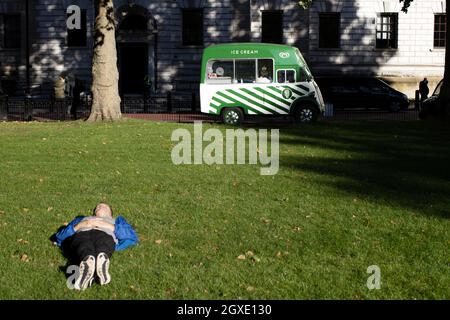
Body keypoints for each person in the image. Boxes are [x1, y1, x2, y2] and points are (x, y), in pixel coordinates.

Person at [54, 203, 138, 290]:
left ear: (111, 213)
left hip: (105, 234)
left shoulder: (117, 220)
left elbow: (132, 237)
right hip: (82, 234)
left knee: (103, 243)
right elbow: (60, 237)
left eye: (105, 206)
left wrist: (110, 226)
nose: (101, 206)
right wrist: (80, 225)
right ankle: (89, 264)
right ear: (94, 213)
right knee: (83, 245)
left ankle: (99, 264)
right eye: (98, 206)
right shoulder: (81, 219)